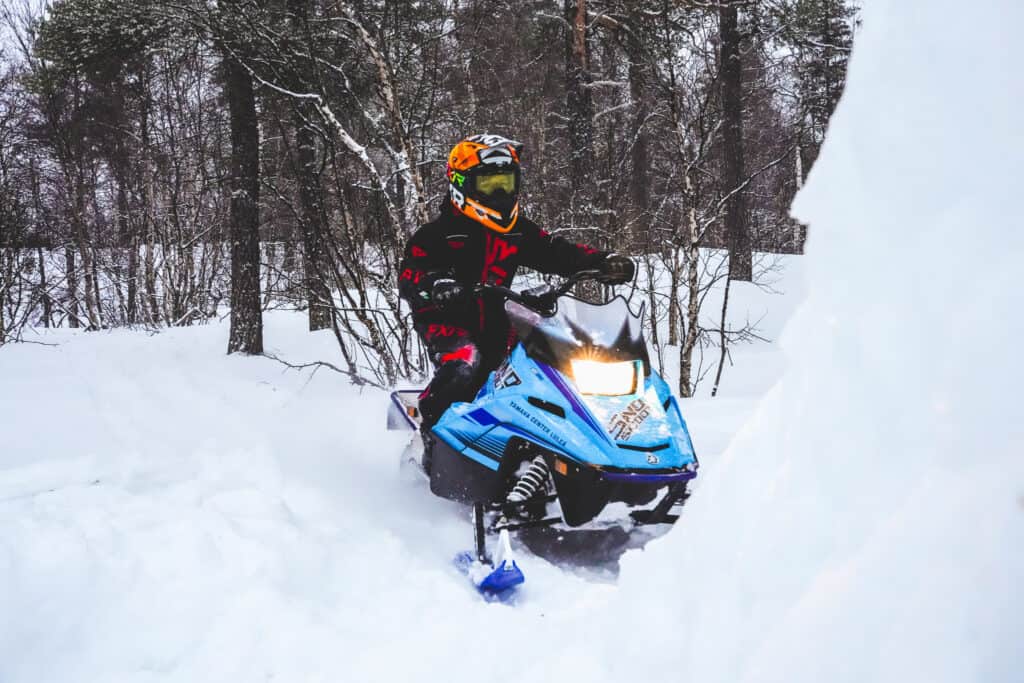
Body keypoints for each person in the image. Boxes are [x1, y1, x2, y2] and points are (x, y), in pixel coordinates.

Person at [398, 133, 635, 431]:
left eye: (505, 182)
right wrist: (435, 284)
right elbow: (410, 276)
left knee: (555, 358)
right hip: (447, 319)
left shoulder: (516, 230)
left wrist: (602, 262)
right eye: (489, 184)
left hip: (498, 314)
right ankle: (430, 433)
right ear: (461, 184)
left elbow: (556, 252)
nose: (499, 192)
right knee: (465, 363)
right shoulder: (435, 235)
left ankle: (575, 434)